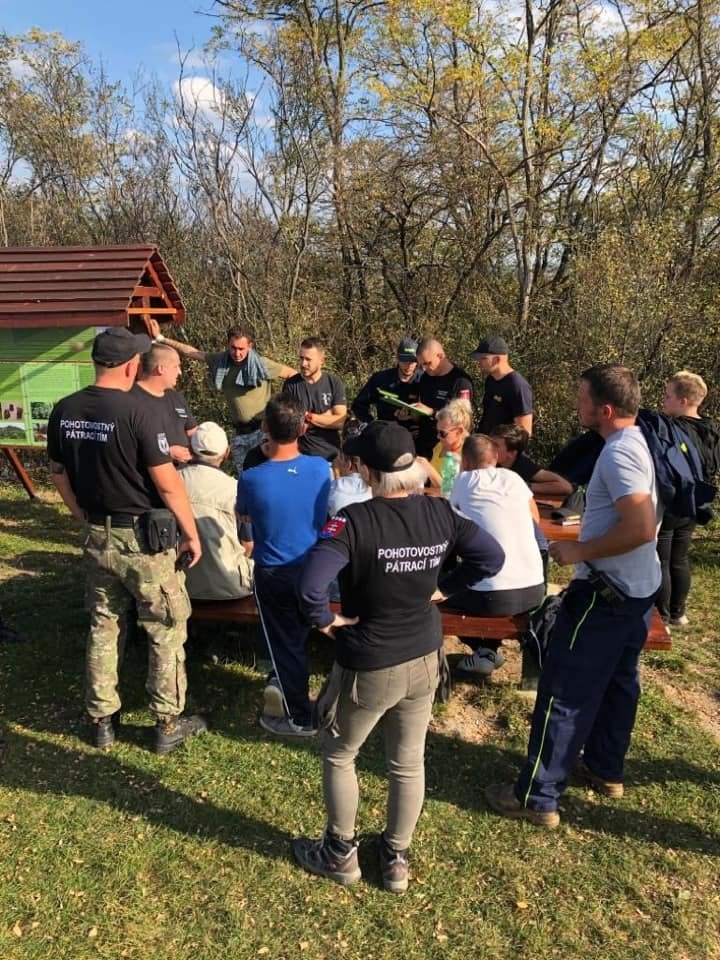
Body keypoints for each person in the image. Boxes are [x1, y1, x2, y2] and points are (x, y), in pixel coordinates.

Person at [293, 421, 504, 891]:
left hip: (370, 661)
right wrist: (443, 589)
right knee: (408, 762)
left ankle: (339, 851)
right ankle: (395, 859)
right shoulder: (440, 512)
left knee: (340, 752)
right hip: (425, 657)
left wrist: (323, 620)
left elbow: (310, 585)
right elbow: (491, 556)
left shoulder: (352, 520)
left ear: (366, 470)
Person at [485, 364, 661, 828]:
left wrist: (579, 549)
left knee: (564, 686)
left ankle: (537, 795)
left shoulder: (620, 454)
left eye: (582, 399)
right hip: (638, 590)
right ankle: (605, 767)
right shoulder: (635, 441)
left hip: (606, 592)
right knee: (621, 681)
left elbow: (641, 528)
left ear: (604, 409)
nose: (575, 405)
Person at [46, 327, 208, 755]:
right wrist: (191, 534)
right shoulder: (140, 412)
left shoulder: (65, 409)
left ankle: (101, 718)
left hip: (97, 534)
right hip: (143, 541)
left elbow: (58, 472)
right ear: (132, 365)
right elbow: (168, 484)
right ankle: (167, 720)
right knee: (165, 625)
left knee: (104, 624)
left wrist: (80, 515)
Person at [236, 394, 331, 736]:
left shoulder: (251, 478)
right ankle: (288, 681)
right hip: (315, 568)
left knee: (284, 643)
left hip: (274, 572)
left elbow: (244, 520)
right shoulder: (322, 469)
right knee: (296, 634)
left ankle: (300, 718)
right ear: (304, 427)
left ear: (264, 428)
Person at [442, 434, 545, 677]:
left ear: (464, 461)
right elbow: (535, 520)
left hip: (492, 597)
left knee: (438, 592)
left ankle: (482, 650)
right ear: (496, 458)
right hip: (534, 589)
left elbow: (448, 527)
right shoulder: (514, 478)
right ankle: (486, 653)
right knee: (479, 576)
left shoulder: (463, 481)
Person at [148, 320, 296, 472]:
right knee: (244, 477)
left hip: (262, 430)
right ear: (228, 345)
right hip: (239, 433)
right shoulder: (221, 362)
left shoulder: (262, 365)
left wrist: (288, 409)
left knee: (268, 472)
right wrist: (161, 338)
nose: (237, 353)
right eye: (233, 348)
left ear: (250, 346)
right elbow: (193, 352)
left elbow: (292, 374)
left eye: (241, 349)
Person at [657, 370, 720, 626]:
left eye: (668, 395)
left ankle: (660, 616)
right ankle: (678, 612)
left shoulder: (673, 428)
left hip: (674, 499)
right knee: (680, 557)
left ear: (683, 401)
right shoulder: (712, 429)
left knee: (661, 557)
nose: (663, 400)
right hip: (697, 501)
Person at [179, 421, 254, 601]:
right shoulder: (235, 489)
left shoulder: (173, 481)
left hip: (182, 585)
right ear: (226, 453)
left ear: (190, 448)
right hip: (232, 586)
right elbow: (248, 545)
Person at [282, 337, 348, 461]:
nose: (303, 364)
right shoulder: (291, 385)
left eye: (308, 359)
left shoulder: (334, 383)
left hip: (331, 457)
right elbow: (291, 424)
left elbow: (339, 421)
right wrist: (327, 416)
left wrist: (308, 416)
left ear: (322, 360)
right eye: (301, 358)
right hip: (300, 457)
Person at [133, 342, 197, 462]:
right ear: (161, 368)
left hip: (184, 476)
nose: (179, 372)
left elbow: (193, 432)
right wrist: (165, 452)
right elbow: (124, 445)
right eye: (176, 366)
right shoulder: (130, 400)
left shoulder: (176, 397)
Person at [412, 338, 474, 458]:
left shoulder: (460, 381)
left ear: (441, 355)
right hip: (424, 444)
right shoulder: (426, 378)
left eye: (427, 363)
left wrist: (432, 412)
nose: (424, 368)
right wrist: (413, 413)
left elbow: (463, 420)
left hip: (448, 448)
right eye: (421, 365)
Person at [351, 337, 422, 441]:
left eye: (412, 360)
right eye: (404, 360)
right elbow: (358, 404)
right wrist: (373, 425)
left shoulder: (425, 380)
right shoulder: (381, 379)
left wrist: (414, 416)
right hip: (385, 434)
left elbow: (434, 412)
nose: (408, 365)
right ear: (397, 358)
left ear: (418, 360)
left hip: (416, 436)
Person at [471, 335, 533, 436]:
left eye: (483, 358)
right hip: (486, 447)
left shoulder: (518, 386)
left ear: (497, 360)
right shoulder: (490, 380)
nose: (479, 362)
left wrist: (502, 448)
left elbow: (524, 432)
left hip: (503, 450)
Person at [490, 424, 573, 497]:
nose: (489, 448)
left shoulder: (524, 465)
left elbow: (566, 487)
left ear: (512, 453)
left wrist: (525, 486)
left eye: (496, 446)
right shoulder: (485, 460)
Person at [420, 398, 473, 493]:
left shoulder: (464, 455)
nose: (438, 436)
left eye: (442, 433)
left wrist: (428, 468)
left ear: (459, 432)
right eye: (437, 431)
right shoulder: (440, 446)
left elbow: (449, 491)